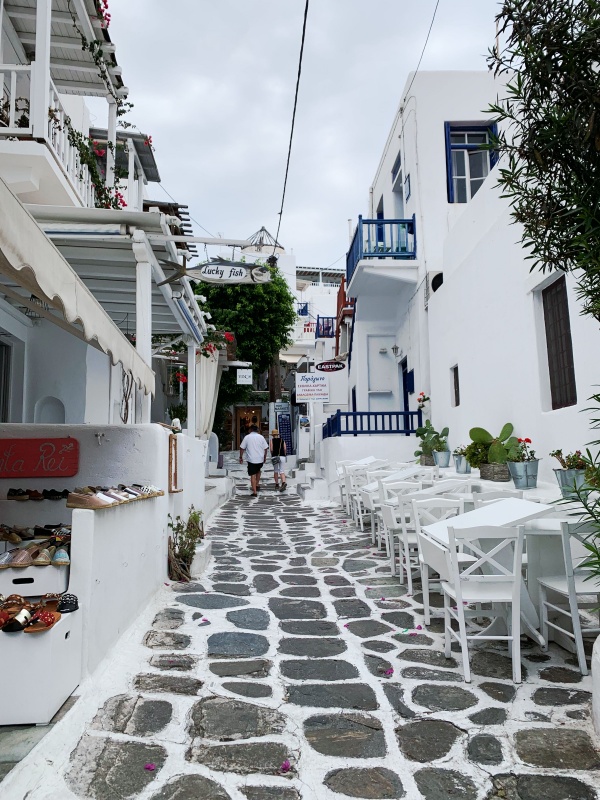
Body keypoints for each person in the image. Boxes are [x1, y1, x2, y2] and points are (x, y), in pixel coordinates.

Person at [239, 424, 268, 497]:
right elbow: (265, 448)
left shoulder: (247, 437)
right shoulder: (261, 437)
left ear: (250, 430)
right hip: (260, 459)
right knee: (258, 471)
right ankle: (257, 484)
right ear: (257, 430)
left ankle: (254, 492)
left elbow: (242, 448)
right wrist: (264, 457)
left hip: (251, 459)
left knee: (252, 475)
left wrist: (241, 457)